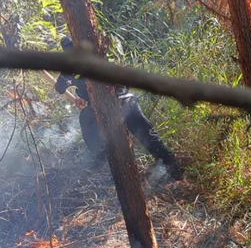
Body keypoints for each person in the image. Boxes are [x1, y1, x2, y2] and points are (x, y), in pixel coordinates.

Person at [55, 36, 183, 180]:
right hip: (123, 103)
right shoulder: (94, 55)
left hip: (116, 104)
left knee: (91, 129)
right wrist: (76, 94)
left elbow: (59, 87)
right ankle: (174, 171)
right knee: (148, 137)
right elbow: (62, 87)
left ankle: (106, 169)